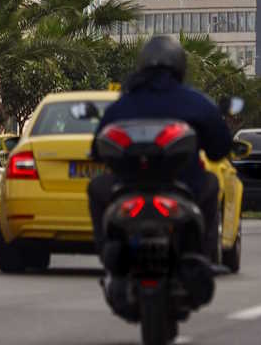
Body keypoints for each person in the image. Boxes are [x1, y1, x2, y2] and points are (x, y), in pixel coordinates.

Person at [87, 35, 233, 262]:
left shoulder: (123, 103)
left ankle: (107, 252)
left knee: (96, 187)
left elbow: (97, 149)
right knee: (211, 185)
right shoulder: (194, 101)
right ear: (180, 66)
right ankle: (203, 256)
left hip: (126, 188)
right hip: (185, 188)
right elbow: (219, 147)